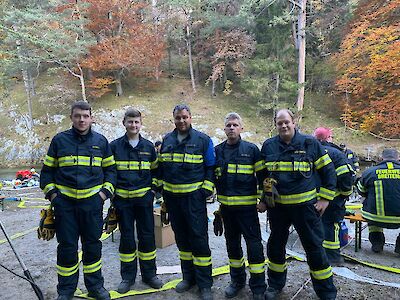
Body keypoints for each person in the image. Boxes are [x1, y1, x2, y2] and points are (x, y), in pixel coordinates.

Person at [40, 101, 116, 300]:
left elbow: (111, 171)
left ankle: (95, 287)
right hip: (65, 207)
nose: (82, 120)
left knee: (92, 246)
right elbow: (47, 173)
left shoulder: (101, 142)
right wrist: (54, 196)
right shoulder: (59, 141)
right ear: (71, 117)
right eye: (77, 116)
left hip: (92, 206)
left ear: (91, 117)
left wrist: (103, 194)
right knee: (67, 248)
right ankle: (66, 291)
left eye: (85, 116)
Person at [258, 109, 337, 300]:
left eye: (287, 122)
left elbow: (328, 171)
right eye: (279, 123)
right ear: (275, 125)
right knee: (275, 247)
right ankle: (275, 285)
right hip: (278, 210)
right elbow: (263, 177)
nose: (283, 126)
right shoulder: (268, 146)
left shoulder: (310, 144)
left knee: (315, 249)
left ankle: (326, 292)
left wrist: (325, 198)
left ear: (293, 122)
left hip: (306, 209)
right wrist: (263, 200)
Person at [157, 104, 215, 300]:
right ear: (173, 119)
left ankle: (205, 284)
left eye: (184, 117)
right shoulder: (167, 140)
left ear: (190, 117)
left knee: (199, 240)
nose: (181, 121)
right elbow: (162, 168)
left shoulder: (203, 140)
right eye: (178, 118)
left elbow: (210, 167)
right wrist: (160, 192)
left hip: (194, 201)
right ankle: (188, 278)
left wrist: (205, 190)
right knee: (182, 240)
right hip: (173, 201)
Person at [110, 108, 163, 294]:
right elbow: (109, 173)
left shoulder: (149, 147)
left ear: (141, 124)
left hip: (144, 201)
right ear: (123, 123)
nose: (133, 125)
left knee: (147, 237)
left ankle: (150, 276)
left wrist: (153, 192)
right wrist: (113, 195)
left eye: (136, 122)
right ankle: (127, 278)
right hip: (122, 202)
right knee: (126, 239)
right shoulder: (114, 147)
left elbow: (157, 171)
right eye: (130, 121)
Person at [214, 113, 266, 300]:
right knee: (233, 247)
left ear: (241, 128)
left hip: (248, 211)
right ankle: (237, 282)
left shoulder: (252, 150)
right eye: (228, 125)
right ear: (224, 128)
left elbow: (263, 178)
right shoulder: (217, 150)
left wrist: (264, 201)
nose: (232, 128)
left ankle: (258, 287)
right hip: (227, 211)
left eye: (235, 124)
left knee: (254, 248)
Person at [313, 127, 354, 265]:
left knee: (315, 225)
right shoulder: (336, 154)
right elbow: (345, 178)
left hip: (309, 198)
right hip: (332, 199)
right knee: (331, 226)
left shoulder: (309, 151)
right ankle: (333, 257)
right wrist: (345, 194)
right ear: (328, 138)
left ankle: (317, 253)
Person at [356, 148, 400, 254]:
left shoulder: (369, 172)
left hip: (374, 217)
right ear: (398, 158)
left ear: (381, 158)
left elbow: (361, 191)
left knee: (371, 211)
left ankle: (377, 243)